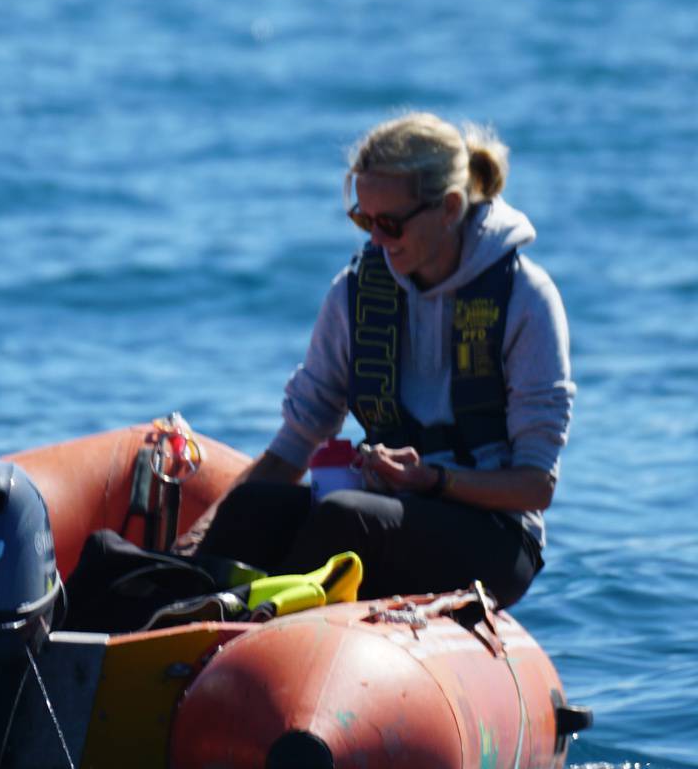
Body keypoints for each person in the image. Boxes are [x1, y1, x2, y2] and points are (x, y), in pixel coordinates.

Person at [185, 112, 573, 608]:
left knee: (346, 517)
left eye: (389, 224)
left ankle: (250, 640)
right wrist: (198, 541)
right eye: (364, 221)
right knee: (252, 507)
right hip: (386, 511)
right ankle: (176, 626)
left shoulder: (525, 298)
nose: (376, 241)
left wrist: (431, 480)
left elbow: (535, 487)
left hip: (496, 536)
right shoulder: (355, 294)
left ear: (450, 207)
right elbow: (294, 446)